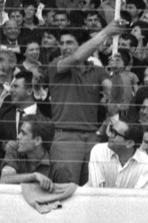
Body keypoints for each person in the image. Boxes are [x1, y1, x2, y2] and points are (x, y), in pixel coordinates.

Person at [48, 20, 126, 184]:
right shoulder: (56, 65)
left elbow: (116, 97)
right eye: (61, 43)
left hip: (92, 138)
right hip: (65, 138)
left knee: (91, 190)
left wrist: (118, 73)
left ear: (82, 45)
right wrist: (105, 32)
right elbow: (76, 57)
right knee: (65, 189)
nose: (64, 47)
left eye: (69, 42)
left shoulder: (97, 71)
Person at [87, 117, 148, 189]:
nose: (109, 135)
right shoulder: (99, 151)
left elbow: (139, 197)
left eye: (114, 133)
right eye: (111, 130)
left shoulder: (146, 163)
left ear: (129, 143)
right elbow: (96, 191)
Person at [0, 116, 56, 189]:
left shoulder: (57, 167)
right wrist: (34, 176)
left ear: (37, 140)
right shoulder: (14, 149)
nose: (18, 136)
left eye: (23, 133)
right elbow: (4, 180)